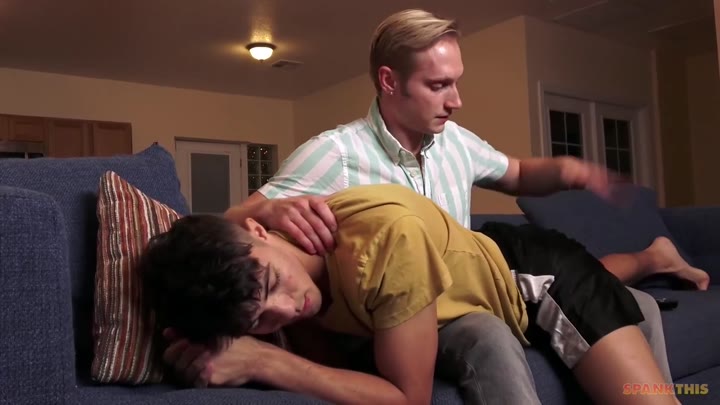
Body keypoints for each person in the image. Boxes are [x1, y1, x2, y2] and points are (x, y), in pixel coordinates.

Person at [162, 8, 701, 404]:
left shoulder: (453, 142)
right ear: (389, 81)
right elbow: (229, 226)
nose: (456, 100)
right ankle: (651, 260)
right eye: (440, 85)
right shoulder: (333, 155)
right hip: (450, 295)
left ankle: (652, 258)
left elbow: (515, 174)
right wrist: (267, 211)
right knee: (502, 321)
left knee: (598, 297)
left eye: (455, 83)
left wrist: (569, 171)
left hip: (487, 267)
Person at [141, 183, 680, 405]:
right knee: (624, 294)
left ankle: (652, 262)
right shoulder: (262, 262)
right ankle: (653, 261)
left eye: (271, 285)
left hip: (532, 273)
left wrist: (265, 359)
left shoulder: (383, 242)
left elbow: (408, 398)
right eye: (258, 321)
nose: (288, 310)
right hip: (459, 268)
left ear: (261, 233)